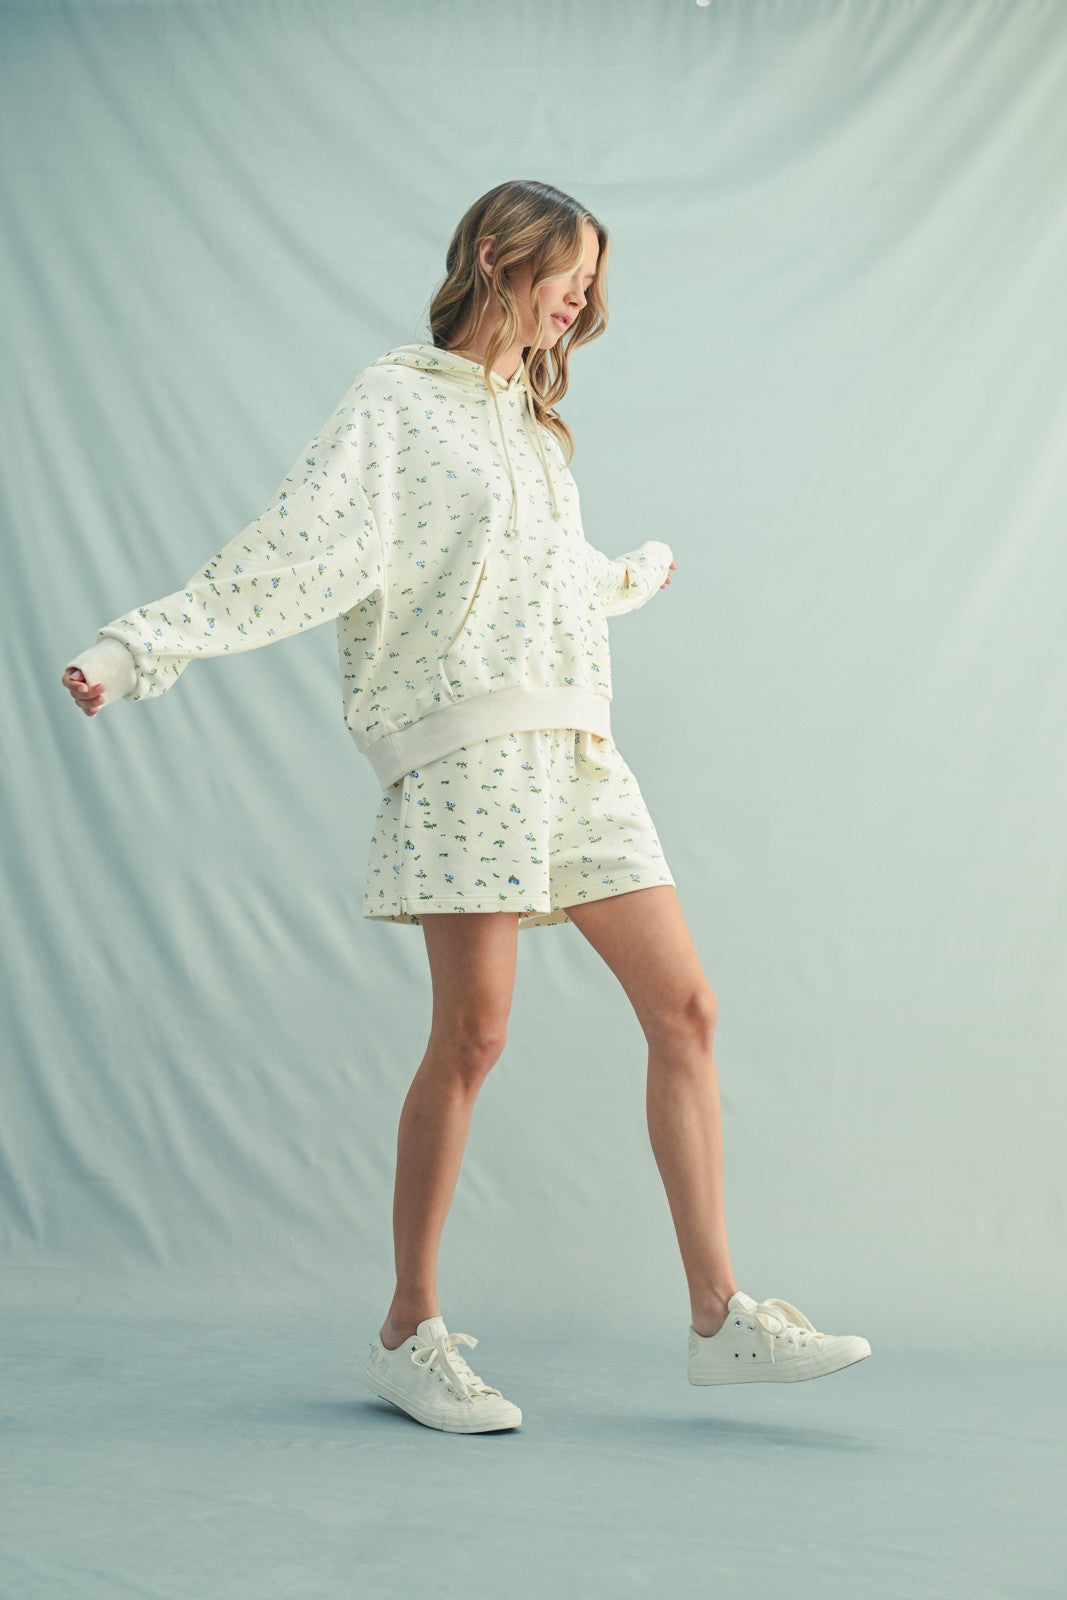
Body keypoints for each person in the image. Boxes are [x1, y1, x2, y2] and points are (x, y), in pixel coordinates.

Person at [61, 178, 871, 1435]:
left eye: (591, 283)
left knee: (687, 1009)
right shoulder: (392, 404)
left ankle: (719, 1318)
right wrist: (134, 648)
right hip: (464, 762)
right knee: (474, 1037)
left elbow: (539, 582)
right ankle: (408, 1330)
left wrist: (626, 575)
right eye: (567, 274)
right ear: (496, 255)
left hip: (578, 752)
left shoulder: (537, 429)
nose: (580, 299)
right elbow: (295, 552)